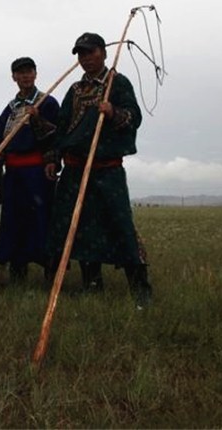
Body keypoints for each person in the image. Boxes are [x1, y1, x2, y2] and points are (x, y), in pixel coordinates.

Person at [44, 33, 152, 306]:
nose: (85, 59)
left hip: (106, 170)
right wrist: (53, 159)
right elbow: (62, 127)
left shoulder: (118, 83)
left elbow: (135, 117)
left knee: (120, 225)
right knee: (79, 228)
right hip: (75, 171)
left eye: (90, 52)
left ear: (103, 53)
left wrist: (113, 111)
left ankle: (140, 289)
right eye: (81, 54)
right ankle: (92, 285)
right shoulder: (75, 90)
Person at [0, 57, 60, 284]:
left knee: (42, 220)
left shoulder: (47, 103)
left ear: (35, 74)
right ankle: (17, 269)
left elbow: (57, 137)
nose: (25, 76)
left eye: (29, 72)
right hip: (13, 176)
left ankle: (49, 269)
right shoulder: (9, 111)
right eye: (20, 73)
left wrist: (38, 119)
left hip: (38, 174)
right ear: (13, 77)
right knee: (15, 221)